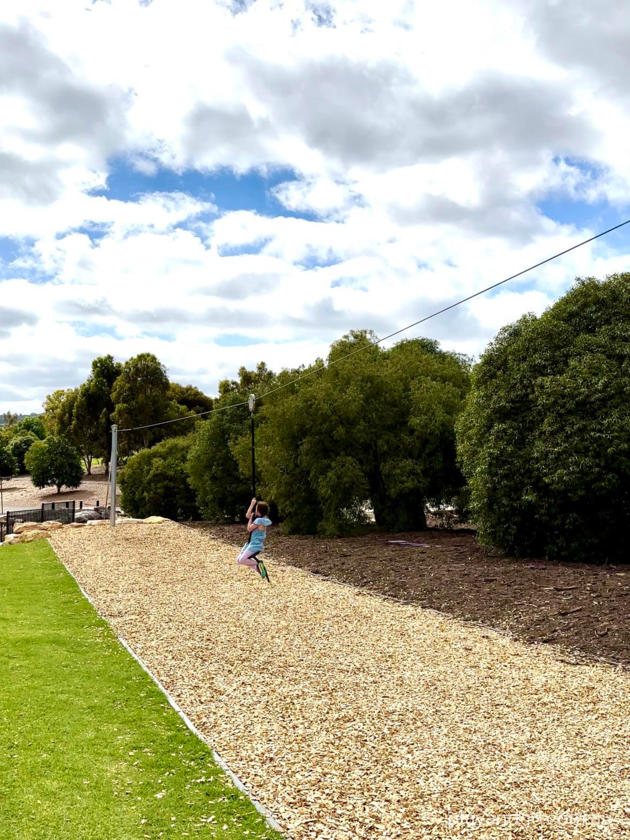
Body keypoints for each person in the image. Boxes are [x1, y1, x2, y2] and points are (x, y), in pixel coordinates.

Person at [237, 497, 272, 580]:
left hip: (255, 545)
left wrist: (251, 520)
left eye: (256, 508)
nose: (255, 510)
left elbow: (249, 528)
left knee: (242, 560)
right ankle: (259, 568)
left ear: (259, 510)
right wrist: (252, 504)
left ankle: (258, 563)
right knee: (238, 560)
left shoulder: (259, 521)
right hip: (250, 543)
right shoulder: (261, 519)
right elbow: (247, 515)